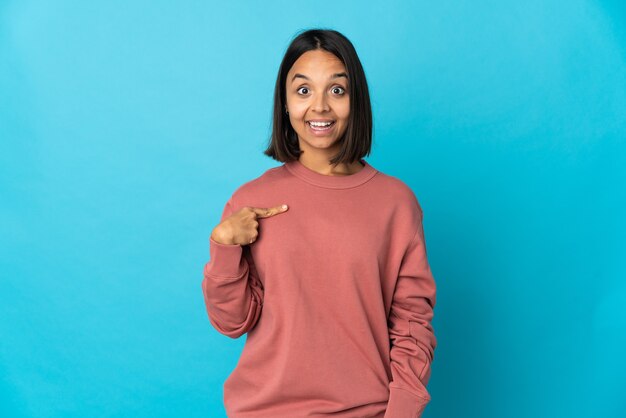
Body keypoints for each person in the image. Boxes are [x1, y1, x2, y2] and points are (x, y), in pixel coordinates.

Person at [201, 28, 437, 418]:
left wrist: (402, 411)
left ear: (355, 100)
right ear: (285, 103)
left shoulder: (396, 203)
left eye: (337, 90)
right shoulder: (251, 201)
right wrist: (224, 248)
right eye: (304, 90)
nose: (320, 107)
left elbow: (412, 323)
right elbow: (233, 321)